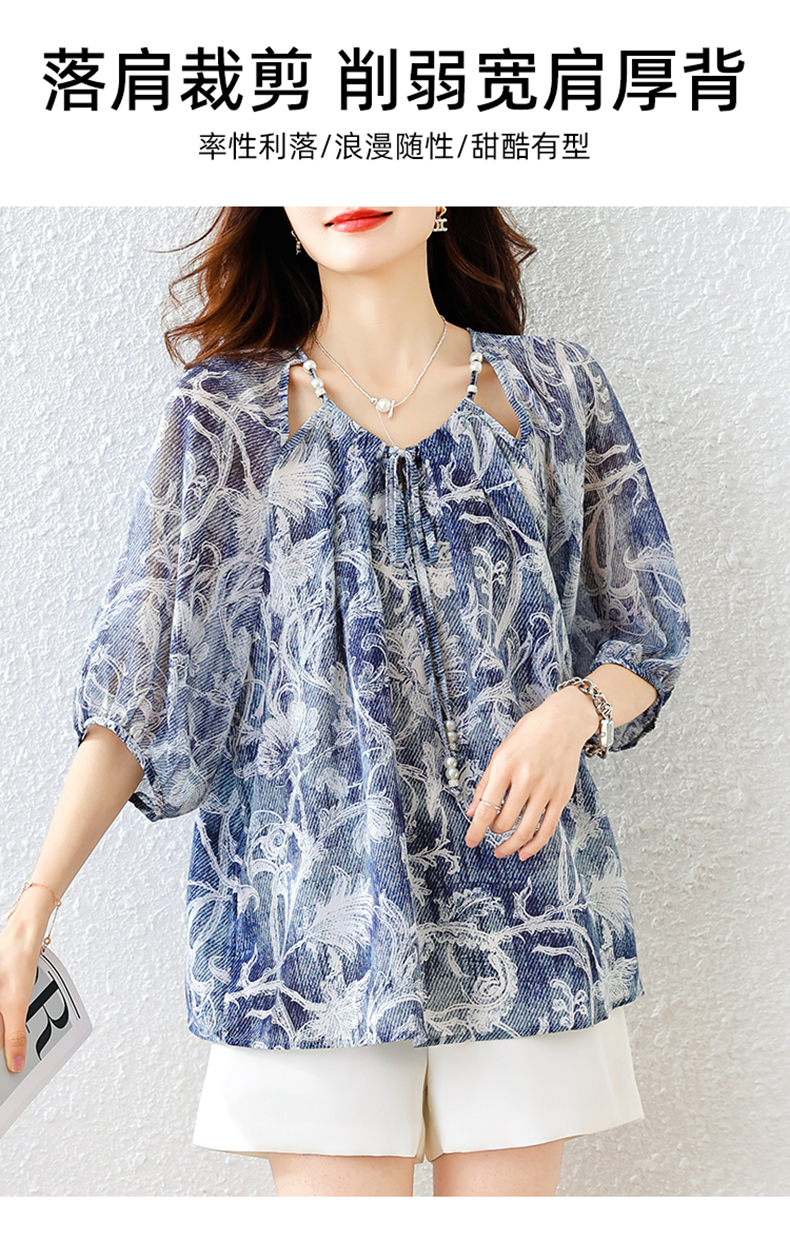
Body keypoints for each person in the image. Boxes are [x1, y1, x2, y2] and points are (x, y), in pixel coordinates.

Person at [0, 207, 690, 1197]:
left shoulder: (554, 388)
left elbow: (646, 631)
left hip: (525, 906)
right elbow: (147, 684)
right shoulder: (225, 413)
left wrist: (568, 715)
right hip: (307, 934)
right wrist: (39, 897)